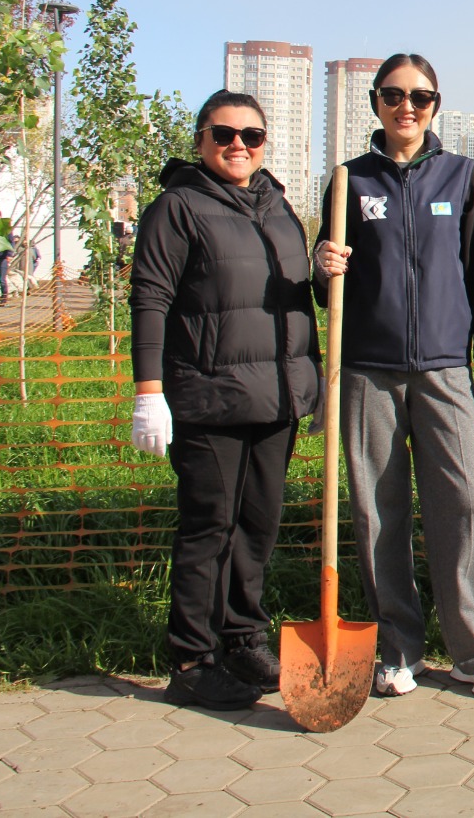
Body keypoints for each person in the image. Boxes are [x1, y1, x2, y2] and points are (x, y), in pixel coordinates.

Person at [311, 53, 474, 699]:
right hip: (367, 370)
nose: (407, 107)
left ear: (434, 106)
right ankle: (398, 648)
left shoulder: (461, 175)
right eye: (394, 95)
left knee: (469, 504)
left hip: (446, 370)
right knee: (377, 511)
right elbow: (328, 281)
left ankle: (473, 652)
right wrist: (321, 263)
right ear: (375, 101)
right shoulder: (349, 180)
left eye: (420, 97)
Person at [129, 89, 322, 710]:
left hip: (276, 397)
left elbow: (294, 297)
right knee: (209, 527)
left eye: (252, 135)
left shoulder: (278, 206)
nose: (239, 145)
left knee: (258, 525)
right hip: (209, 397)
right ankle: (191, 660)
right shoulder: (177, 208)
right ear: (200, 141)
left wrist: (313, 373)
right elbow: (150, 298)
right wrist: (148, 391)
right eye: (224, 134)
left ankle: (242, 639)